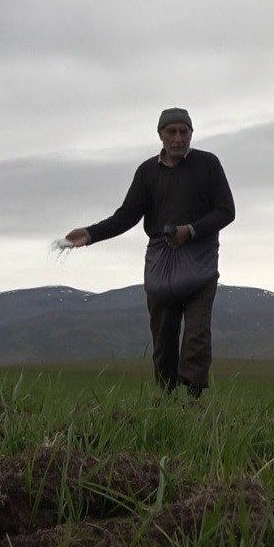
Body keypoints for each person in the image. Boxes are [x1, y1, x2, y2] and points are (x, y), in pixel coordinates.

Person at [63, 108, 236, 398]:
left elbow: (226, 211)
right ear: (160, 135)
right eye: (172, 132)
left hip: (200, 261)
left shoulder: (208, 164)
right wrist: (91, 234)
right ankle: (166, 400)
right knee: (164, 334)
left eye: (184, 131)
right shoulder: (147, 172)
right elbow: (127, 215)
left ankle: (193, 402)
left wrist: (190, 230)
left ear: (191, 134)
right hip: (162, 261)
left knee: (196, 334)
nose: (178, 138)